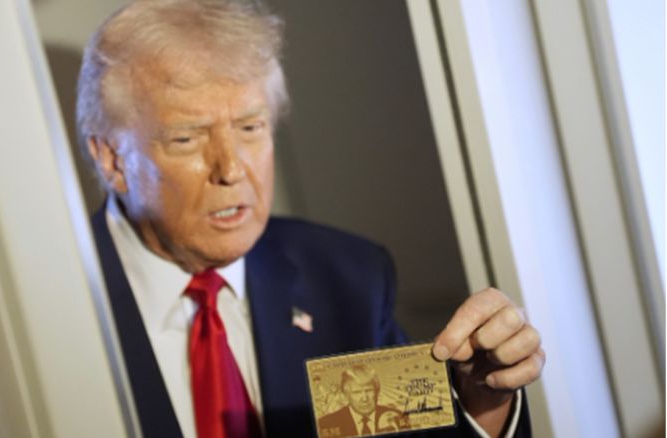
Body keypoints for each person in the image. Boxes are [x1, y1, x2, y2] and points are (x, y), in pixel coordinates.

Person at [77, 1, 545, 437]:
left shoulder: (345, 279)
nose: (231, 169)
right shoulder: (61, 306)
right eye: (186, 138)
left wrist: (482, 399)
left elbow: (410, 434)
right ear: (111, 160)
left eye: (250, 127)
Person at [317, 365, 409, 437]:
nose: (364, 398)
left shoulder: (398, 417)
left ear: (377, 391)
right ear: (346, 396)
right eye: (357, 392)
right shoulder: (326, 424)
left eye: (369, 390)